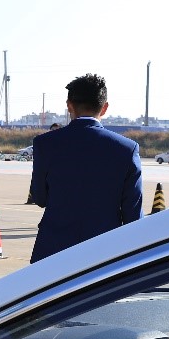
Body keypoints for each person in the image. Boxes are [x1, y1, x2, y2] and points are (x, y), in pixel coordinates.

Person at [29, 74, 143, 263]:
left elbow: (40, 198)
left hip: (53, 250)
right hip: (105, 252)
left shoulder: (45, 144)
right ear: (104, 107)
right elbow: (133, 215)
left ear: (69, 106)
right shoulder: (127, 149)